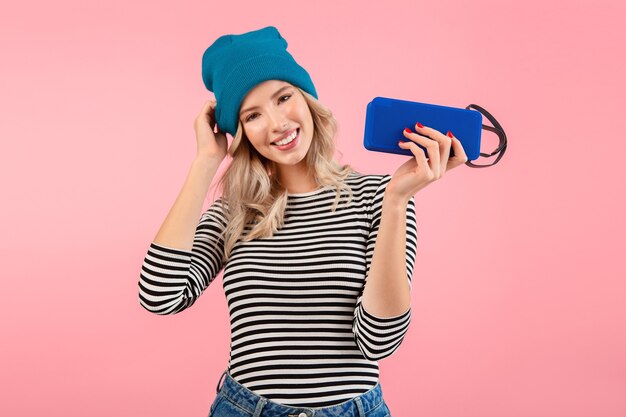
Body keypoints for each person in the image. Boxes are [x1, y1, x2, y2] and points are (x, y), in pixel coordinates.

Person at [137, 26, 468, 417]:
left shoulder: (380, 197)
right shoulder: (233, 214)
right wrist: (206, 162)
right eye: (253, 114)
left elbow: (379, 341)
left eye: (284, 97)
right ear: (238, 131)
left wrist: (397, 199)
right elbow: (160, 296)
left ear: (308, 99)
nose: (277, 123)